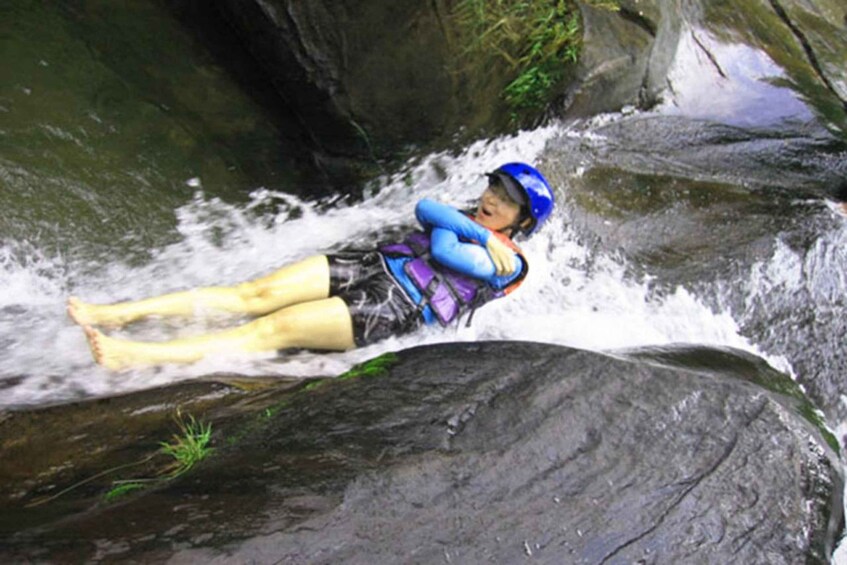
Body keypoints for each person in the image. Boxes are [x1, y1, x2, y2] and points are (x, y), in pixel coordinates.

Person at [67, 162, 555, 370]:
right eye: (493, 187)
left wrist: (468, 231)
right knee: (253, 294)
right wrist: (476, 230)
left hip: (393, 307)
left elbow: (445, 251)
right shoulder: (478, 228)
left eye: (506, 200)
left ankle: (133, 355)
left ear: (523, 221)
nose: (492, 199)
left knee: (272, 328)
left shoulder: (510, 264)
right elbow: (425, 208)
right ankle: (117, 313)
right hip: (369, 265)